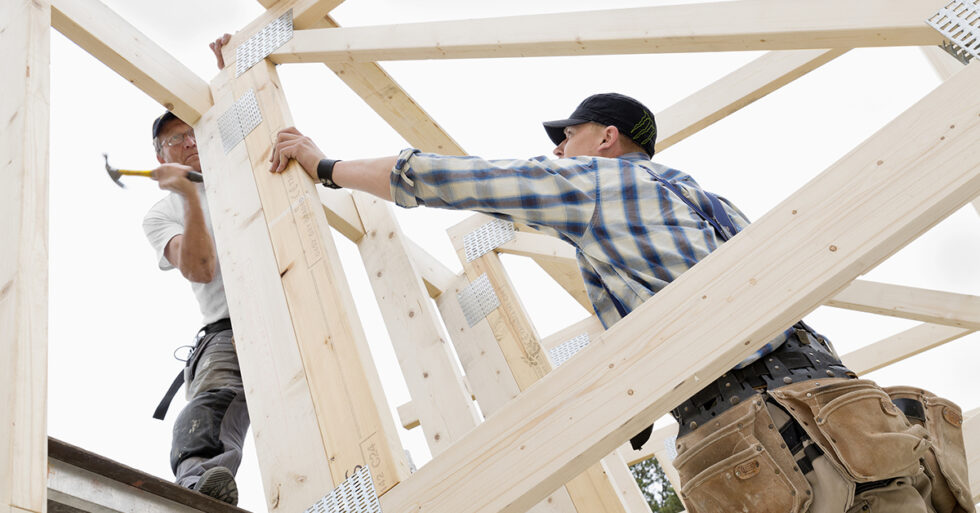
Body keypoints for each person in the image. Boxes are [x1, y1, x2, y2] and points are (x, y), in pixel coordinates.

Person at [268, 93, 974, 513]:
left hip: (765, 430)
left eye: (566, 139)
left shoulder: (599, 186)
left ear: (605, 139)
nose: (557, 153)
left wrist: (327, 166)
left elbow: (459, 179)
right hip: (842, 410)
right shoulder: (699, 195)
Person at [141, 109, 247, 505]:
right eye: (175, 140)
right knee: (213, 400)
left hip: (295, 312)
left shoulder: (242, 170)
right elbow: (201, 268)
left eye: (193, 133)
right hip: (228, 329)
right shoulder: (163, 214)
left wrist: (230, 70)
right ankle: (199, 486)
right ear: (161, 158)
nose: (188, 142)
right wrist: (188, 195)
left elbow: (240, 109)